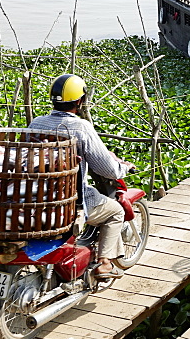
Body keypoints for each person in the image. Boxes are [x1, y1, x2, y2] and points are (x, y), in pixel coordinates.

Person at [30, 74, 136, 280]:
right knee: (115, 211)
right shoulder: (81, 127)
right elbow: (108, 170)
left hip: (36, 196)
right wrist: (123, 167)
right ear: (80, 101)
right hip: (69, 202)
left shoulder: (37, 122)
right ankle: (105, 263)